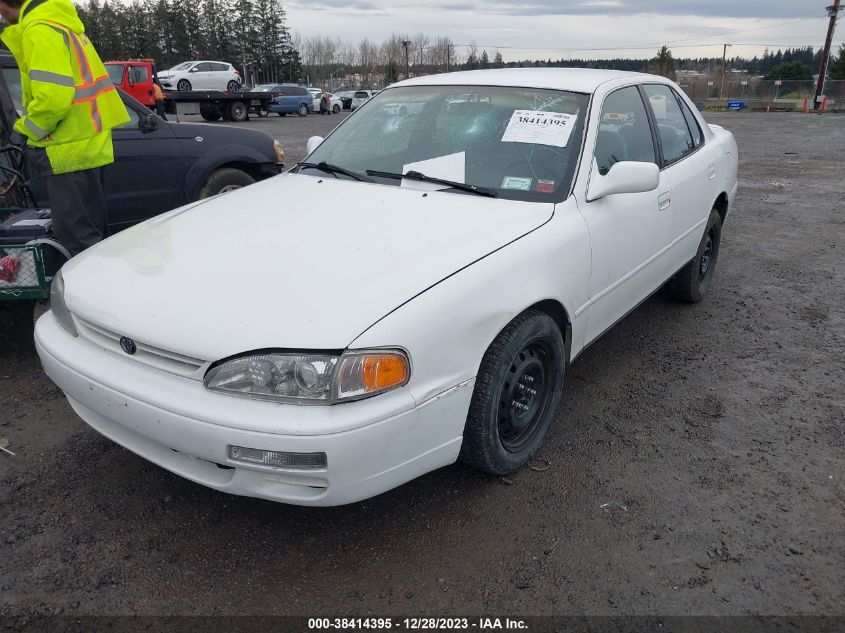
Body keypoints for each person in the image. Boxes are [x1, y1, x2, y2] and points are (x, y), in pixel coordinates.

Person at [0, 0, 130, 257]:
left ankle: (85, 296)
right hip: (87, 148)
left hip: (67, 153)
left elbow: (52, 99)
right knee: (92, 242)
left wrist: (26, 130)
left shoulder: (40, 29)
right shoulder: (61, 24)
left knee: (78, 248)